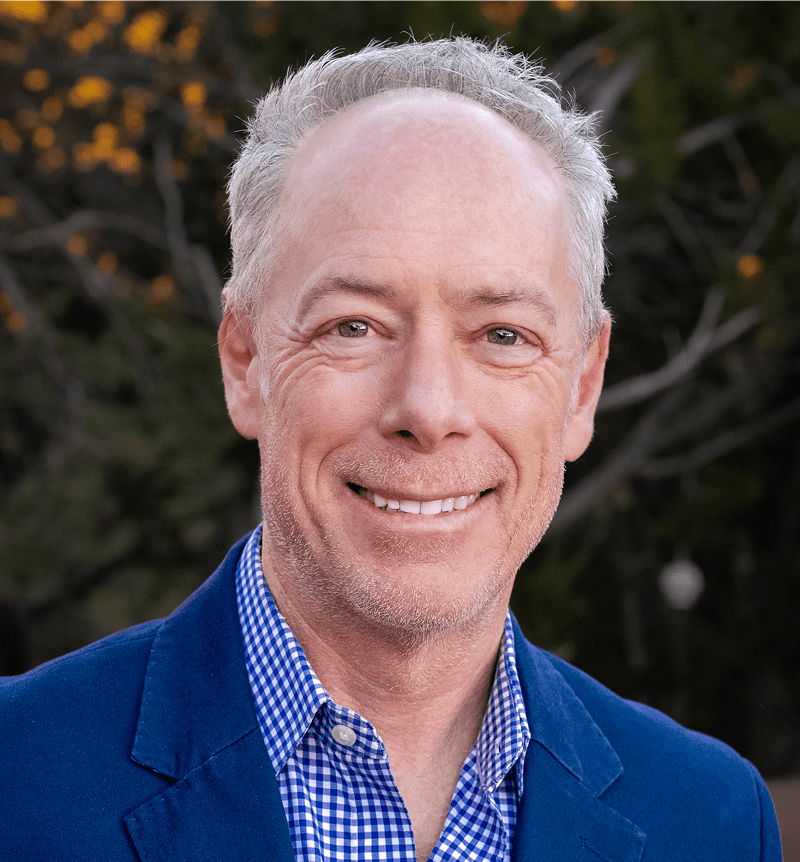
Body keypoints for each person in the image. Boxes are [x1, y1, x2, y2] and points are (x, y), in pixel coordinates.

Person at [0, 38, 782, 862]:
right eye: (354, 326)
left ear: (582, 388)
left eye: (503, 334)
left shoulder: (711, 819)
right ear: (245, 362)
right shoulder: (17, 778)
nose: (429, 409)